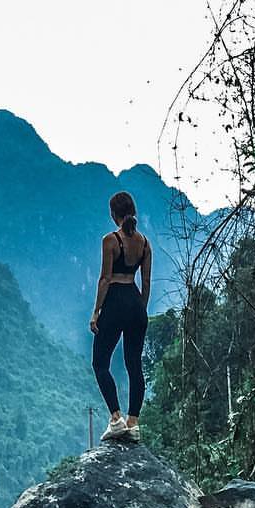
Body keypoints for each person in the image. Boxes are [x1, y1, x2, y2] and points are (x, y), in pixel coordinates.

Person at [89, 189, 150, 442]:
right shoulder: (145, 243)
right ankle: (133, 423)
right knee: (134, 365)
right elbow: (146, 282)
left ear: (114, 215)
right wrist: (141, 310)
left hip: (114, 302)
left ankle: (116, 419)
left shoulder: (111, 240)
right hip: (135, 303)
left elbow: (105, 279)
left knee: (100, 363)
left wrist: (96, 312)